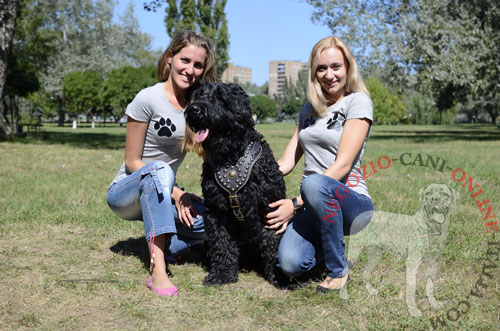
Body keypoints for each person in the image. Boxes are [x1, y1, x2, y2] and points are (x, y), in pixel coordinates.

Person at [106, 30, 216, 297]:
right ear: (170, 57)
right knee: (159, 169)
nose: (190, 69)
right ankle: (158, 271)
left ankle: (168, 246)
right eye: (184, 60)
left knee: (212, 218)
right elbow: (132, 161)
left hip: (163, 191)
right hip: (127, 191)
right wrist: (177, 193)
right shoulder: (148, 99)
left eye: (198, 65)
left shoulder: (198, 106)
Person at [265, 36, 374, 292]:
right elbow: (286, 162)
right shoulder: (308, 110)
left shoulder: (357, 102)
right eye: (322, 68)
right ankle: (324, 251)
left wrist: (295, 204)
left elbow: (343, 166)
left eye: (336, 66)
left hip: (351, 203)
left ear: (348, 67)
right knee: (290, 265)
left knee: (315, 183)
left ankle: (338, 271)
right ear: (314, 72)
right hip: (311, 206)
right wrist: (251, 171)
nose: (329, 74)